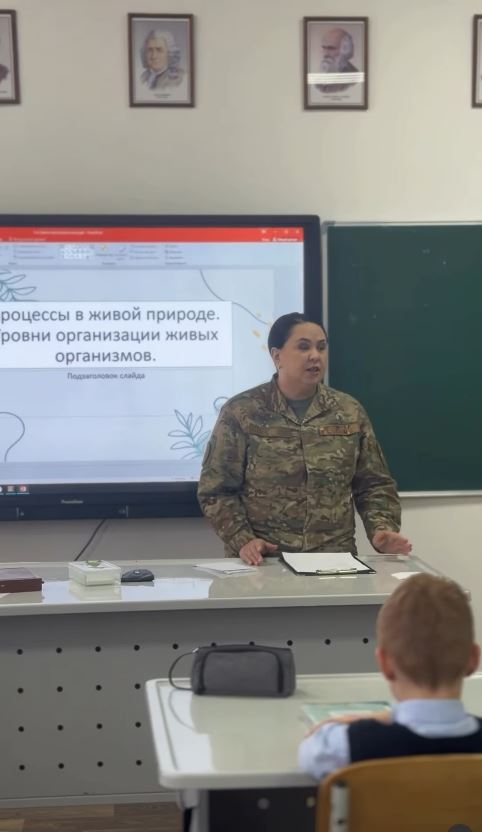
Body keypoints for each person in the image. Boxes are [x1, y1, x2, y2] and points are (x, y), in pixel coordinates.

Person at [198, 312, 411, 564]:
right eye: (303, 347)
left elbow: (374, 484)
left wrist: (381, 529)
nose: (315, 355)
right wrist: (242, 539)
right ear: (277, 356)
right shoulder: (242, 411)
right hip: (265, 561)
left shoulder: (348, 411)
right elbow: (216, 490)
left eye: (321, 347)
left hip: (334, 560)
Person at [298, 573, 482, 779]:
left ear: (385, 664)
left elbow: (312, 745)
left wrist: (375, 718)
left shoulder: (347, 744)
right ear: (473, 659)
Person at [316, 27, 358, 94]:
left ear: (346, 50)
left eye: (331, 48)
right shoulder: (320, 75)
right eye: (324, 48)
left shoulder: (354, 77)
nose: (325, 54)